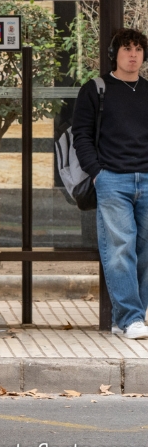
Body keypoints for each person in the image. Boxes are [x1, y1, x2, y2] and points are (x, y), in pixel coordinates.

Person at [73, 27, 148, 340]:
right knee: (120, 248)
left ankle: (132, 316)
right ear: (114, 54)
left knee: (144, 251)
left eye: (138, 49)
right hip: (111, 179)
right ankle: (131, 318)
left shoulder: (147, 89)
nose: (133, 55)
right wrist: (97, 173)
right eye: (126, 48)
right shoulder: (96, 89)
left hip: (146, 178)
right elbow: (81, 134)